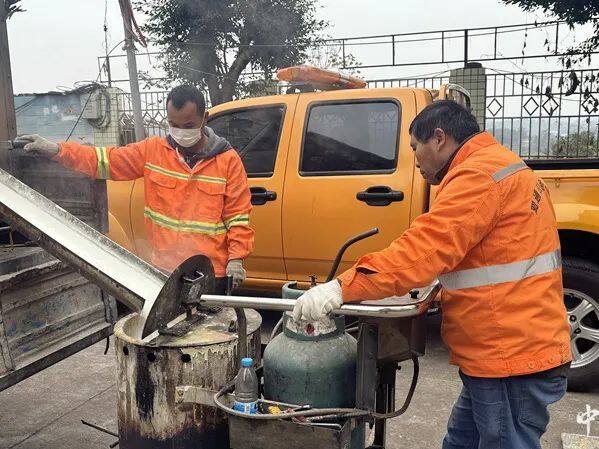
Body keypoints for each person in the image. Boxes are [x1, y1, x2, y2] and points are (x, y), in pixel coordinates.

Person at [293, 100, 571, 449]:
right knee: (459, 443)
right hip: (503, 349)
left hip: (510, 359)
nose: (415, 160)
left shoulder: (479, 177)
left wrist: (340, 288)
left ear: (439, 138)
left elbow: (422, 252)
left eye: (415, 148)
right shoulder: (501, 165)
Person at [21, 85, 254, 294]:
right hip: (165, 272)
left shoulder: (228, 161)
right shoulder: (153, 152)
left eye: (188, 126)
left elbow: (238, 217)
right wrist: (57, 150)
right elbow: (104, 160)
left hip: (211, 273)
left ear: (205, 118)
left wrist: (236, 259)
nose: (180, 132)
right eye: (173, 125)